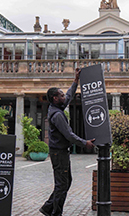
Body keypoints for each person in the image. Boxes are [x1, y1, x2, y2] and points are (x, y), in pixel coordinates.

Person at [40, 68, 95, 216]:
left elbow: (70, 96)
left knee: (66, 181)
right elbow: (69, 135)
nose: (64, 96)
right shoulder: (57, 115)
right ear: (55, 98)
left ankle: (47, 207)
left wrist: (75, 80)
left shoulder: (57, 107)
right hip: (59, 153)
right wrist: (85, 143)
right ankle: (55, 213)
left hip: (60, 152)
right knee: (62, 184)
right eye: (61, 95)